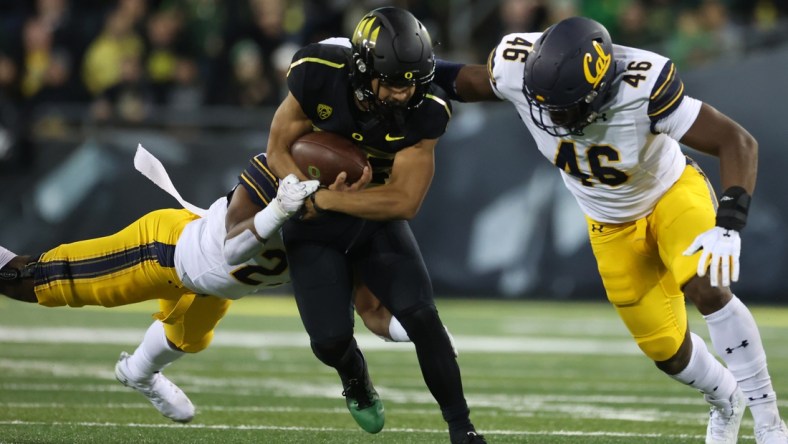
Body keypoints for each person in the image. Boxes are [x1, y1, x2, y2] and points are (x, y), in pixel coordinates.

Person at [432, 16, 788, 444]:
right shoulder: (516, 66)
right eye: (544, 103)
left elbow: (736, 141)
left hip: (670, 193)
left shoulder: (643, 82)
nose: (553, 116)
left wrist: (729, 224)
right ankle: (725, 398)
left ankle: (770, 424)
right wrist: (407, 67)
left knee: (707, 285)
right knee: (667, 353)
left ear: (600, 88)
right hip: (608, 223)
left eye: (564, 106)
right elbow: (459, 82)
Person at [0, 146, 421, 424]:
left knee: (187, 338)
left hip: (216, 289)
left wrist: (420, 329)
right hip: (161, 251)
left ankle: (138, 373)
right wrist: (278, 209)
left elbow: (372, 311)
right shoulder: (276, 176)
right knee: (35, 280)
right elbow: (234, 249)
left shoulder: (344, 228)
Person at [265, 7, 486, 444]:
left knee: (423, 317)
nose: (405, 94)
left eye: (413, 82)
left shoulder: (428, 109)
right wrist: (303, 194)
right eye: (395, 82)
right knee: (329, 341)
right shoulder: (318, 72)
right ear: (363, 72)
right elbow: (277, 147)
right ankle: (354, 374)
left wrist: (331, 198)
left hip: (371, 214)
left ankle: (462, 429)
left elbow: (405, 201)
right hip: (312, 222)